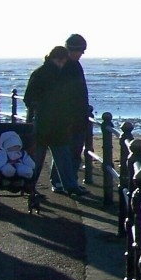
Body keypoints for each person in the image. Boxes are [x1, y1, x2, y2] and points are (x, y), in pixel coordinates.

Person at [23, 46, 87, 197]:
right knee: (62, 155)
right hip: (56, 122)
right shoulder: (58, 75)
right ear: (61, 59)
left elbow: (28, 98)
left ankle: (30, 186)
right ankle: (70, 185)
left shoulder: (39, 73)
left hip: (44, 121)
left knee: (37, 158)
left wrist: (39, 108)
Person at [63, 33, 91, 180]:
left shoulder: (73, 65)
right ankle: (66, 181)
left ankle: (68, 180)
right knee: (69, 151)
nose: (82, 54)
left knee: (72, 151)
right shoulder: (68, 67)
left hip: (78, 116)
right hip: (70, 117)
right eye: (80, 51)